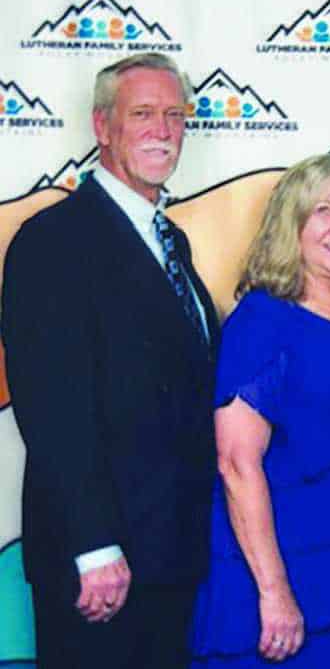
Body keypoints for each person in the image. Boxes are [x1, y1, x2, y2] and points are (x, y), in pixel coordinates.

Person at [1, 53, 218, 668]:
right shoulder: (55, 240)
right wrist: (95, 546)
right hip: (101, 562)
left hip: (172, 553)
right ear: (102, 126)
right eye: (143, 114)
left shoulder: (170, 240)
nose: (163, 130)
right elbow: (52, 408)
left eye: (175, 115)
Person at [189, 155, 330, 667]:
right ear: (293, 224)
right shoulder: (263, 321)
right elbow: (237, 464)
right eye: (323, 211)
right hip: (277, 568)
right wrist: (274, 592)